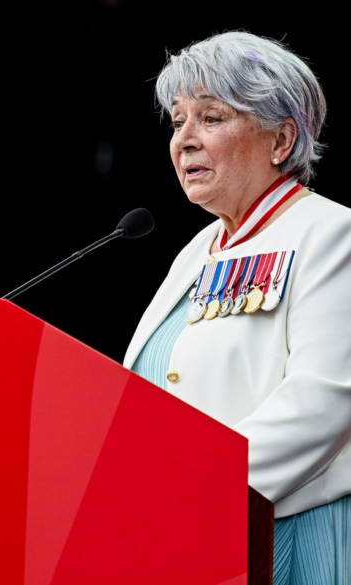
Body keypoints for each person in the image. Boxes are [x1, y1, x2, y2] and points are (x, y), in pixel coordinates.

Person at [123, 30, 351, 583]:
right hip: (183, 534)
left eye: (211, 118)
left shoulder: (333, 234)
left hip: (280, 534)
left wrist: (193, 485)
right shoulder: (196, 251)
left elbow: (324, 400)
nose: (184, 141)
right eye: (178, 121)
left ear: (281, 139)